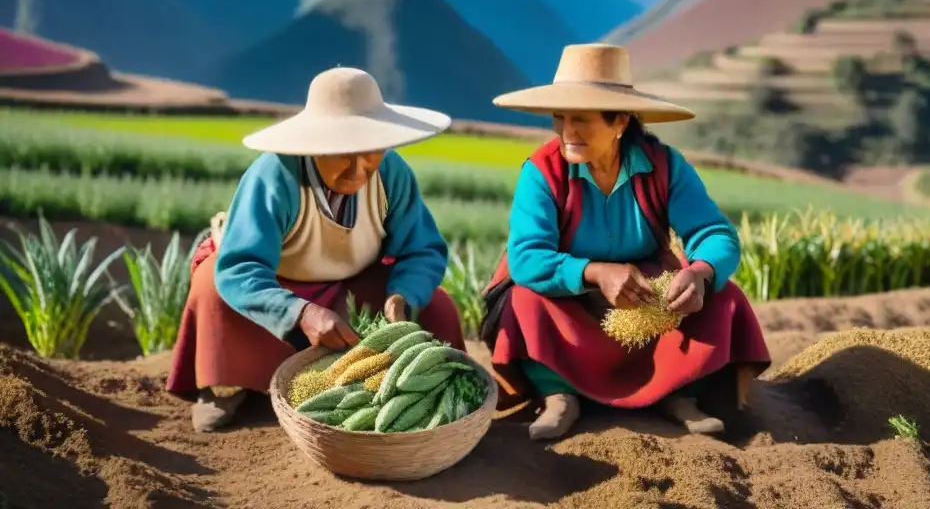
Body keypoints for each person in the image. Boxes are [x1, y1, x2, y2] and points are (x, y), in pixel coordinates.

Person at [480, 43, 771, 441]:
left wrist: (701, 272)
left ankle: (680, 392)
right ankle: (558, 393)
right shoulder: (541, 172)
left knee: (725, 297)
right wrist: (594, 272)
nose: (567, 132)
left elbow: (714, 234)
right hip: (567, 296)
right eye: (560, 118)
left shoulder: (666, 167)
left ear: (619, 122)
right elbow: (527, 257)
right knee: (523, 302)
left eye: (581, 119)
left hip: (647, 296)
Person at [166, 67, 466, 432]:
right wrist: (300, 313)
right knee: (212, 287)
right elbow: (240, 267)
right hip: (274, 284)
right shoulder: (274, 176)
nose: (358, 170)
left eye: (370, 153)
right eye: (343, 154)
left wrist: (401, 297)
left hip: (352, 281)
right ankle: (226, 384)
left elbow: (422, 249)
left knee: (436, 307)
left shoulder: (392, 174)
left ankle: (421, 387)